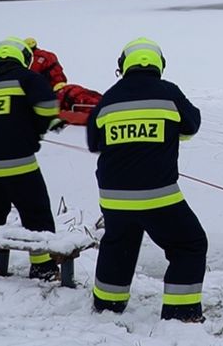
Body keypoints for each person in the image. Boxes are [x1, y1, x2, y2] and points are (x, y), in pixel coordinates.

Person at [85, 37, 208, 321]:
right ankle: (182, 312)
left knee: (118, 245)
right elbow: (191, 126)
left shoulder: (109, 98)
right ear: (159, 65)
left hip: (114, 198)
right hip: (159, 195)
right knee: (189, 244)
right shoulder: (169, 93)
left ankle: (107, 307)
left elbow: (94, 142)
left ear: (123, 66)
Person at [0, 36, 62, 280]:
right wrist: (43, 127)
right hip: (15, 159)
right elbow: (47, 106)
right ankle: (43, 265)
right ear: (24, 57)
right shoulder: (28, 77)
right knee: (36, 209)